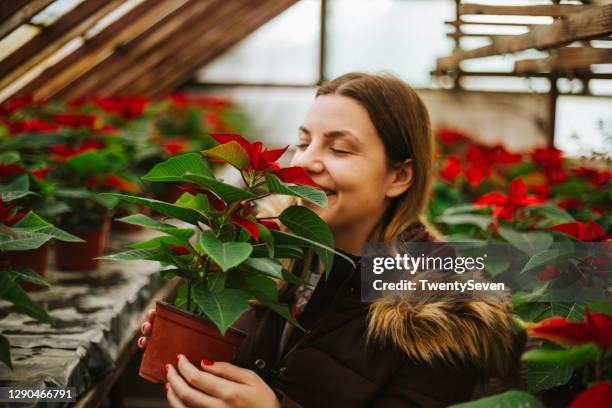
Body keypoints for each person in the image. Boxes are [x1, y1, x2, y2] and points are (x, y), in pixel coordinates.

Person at [138, 72, 523, 407]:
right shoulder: (276, 255)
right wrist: (191, 338)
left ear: (399, 176)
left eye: (339, 148)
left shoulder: (437, 312)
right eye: (303, 142)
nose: (305, 162)